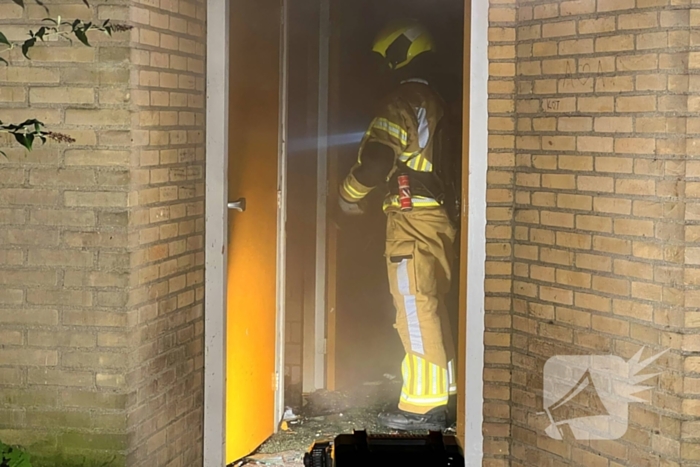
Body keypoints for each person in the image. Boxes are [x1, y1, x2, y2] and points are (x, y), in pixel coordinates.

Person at [337, 19, 460, 431]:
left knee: (414, 304)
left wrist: (347, 196)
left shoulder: (402, 101)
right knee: (433, 302)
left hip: (412, 220)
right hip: (439, 219)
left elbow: (376, 161)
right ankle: (444, 390)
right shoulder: (438, 102)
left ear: (398, 55)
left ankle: (423, 407)